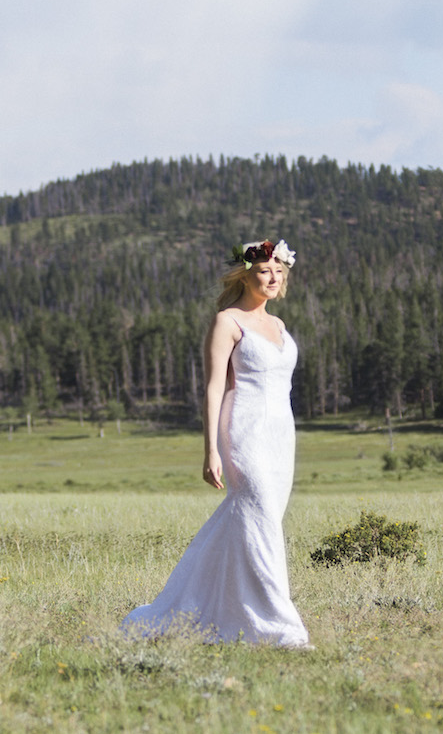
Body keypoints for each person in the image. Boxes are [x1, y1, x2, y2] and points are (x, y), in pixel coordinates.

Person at [121, 239, 311, 648]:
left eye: (279, 272)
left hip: (281, 434)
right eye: (264, 271)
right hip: (243, 430)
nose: (273, 278)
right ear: (245, 275)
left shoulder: (279, 326)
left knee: (257, 520)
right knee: (259, 513)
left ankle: (218, 610)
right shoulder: (227, 322)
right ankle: (278, 625)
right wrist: (211, 449)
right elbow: (213, 388)